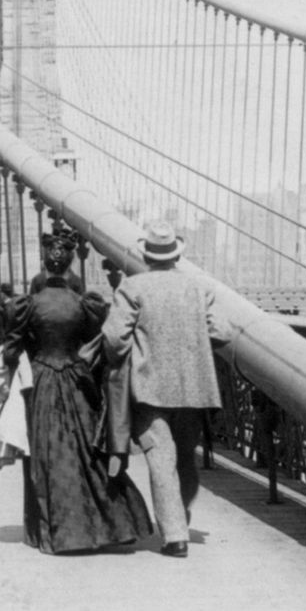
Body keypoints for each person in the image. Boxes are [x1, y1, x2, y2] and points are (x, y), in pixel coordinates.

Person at [0, 231, 152, 554]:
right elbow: (96, 345)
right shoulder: (86, 304)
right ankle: (111, 524)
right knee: (87, 452)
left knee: (45, 453)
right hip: (75, 379)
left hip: (41, 379)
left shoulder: (27, 305)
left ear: (44, 263)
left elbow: (11, 351)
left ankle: (54, 532)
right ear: (70, 264)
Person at [102, 220, 229, 558]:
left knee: (161, 458)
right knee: (185, 457)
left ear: (147, 256)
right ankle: (181, 519)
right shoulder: (199, 287)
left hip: (150, 387)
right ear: (176, 255)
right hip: (193, 388)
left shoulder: (133, 287)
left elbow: (114, 341)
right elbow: (223, 332)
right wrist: (194, 343)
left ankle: (175, 536)